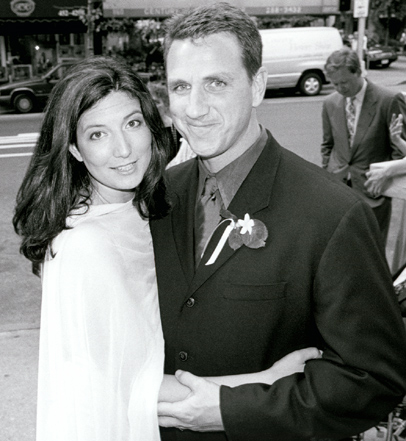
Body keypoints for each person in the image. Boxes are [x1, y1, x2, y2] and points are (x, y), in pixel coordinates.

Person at [12, 55, 321, 440]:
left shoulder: (141, 207)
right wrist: (267, 380)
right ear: (74, 149)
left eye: (132, 123)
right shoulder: (85, 247)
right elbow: (131, 390)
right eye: (97, 134)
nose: (123, 149)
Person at [150, 3, 406, 440]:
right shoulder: (156, 198)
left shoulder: (333, 214)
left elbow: (372, 380)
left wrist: (231, 409)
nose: (193, 108)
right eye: (180, 86)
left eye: (215, 83)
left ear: (257, 86)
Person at [321, 46, 406, 244]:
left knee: (371, 251)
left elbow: (400, 149)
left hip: (373, 191)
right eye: (335, 84)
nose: (341, 89)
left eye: (345, 83)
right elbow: (327, 145)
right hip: (338, 189)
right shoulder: (330, 103)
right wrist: (328, 172)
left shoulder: (389, 100)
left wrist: (386, 179)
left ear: (358, 72)